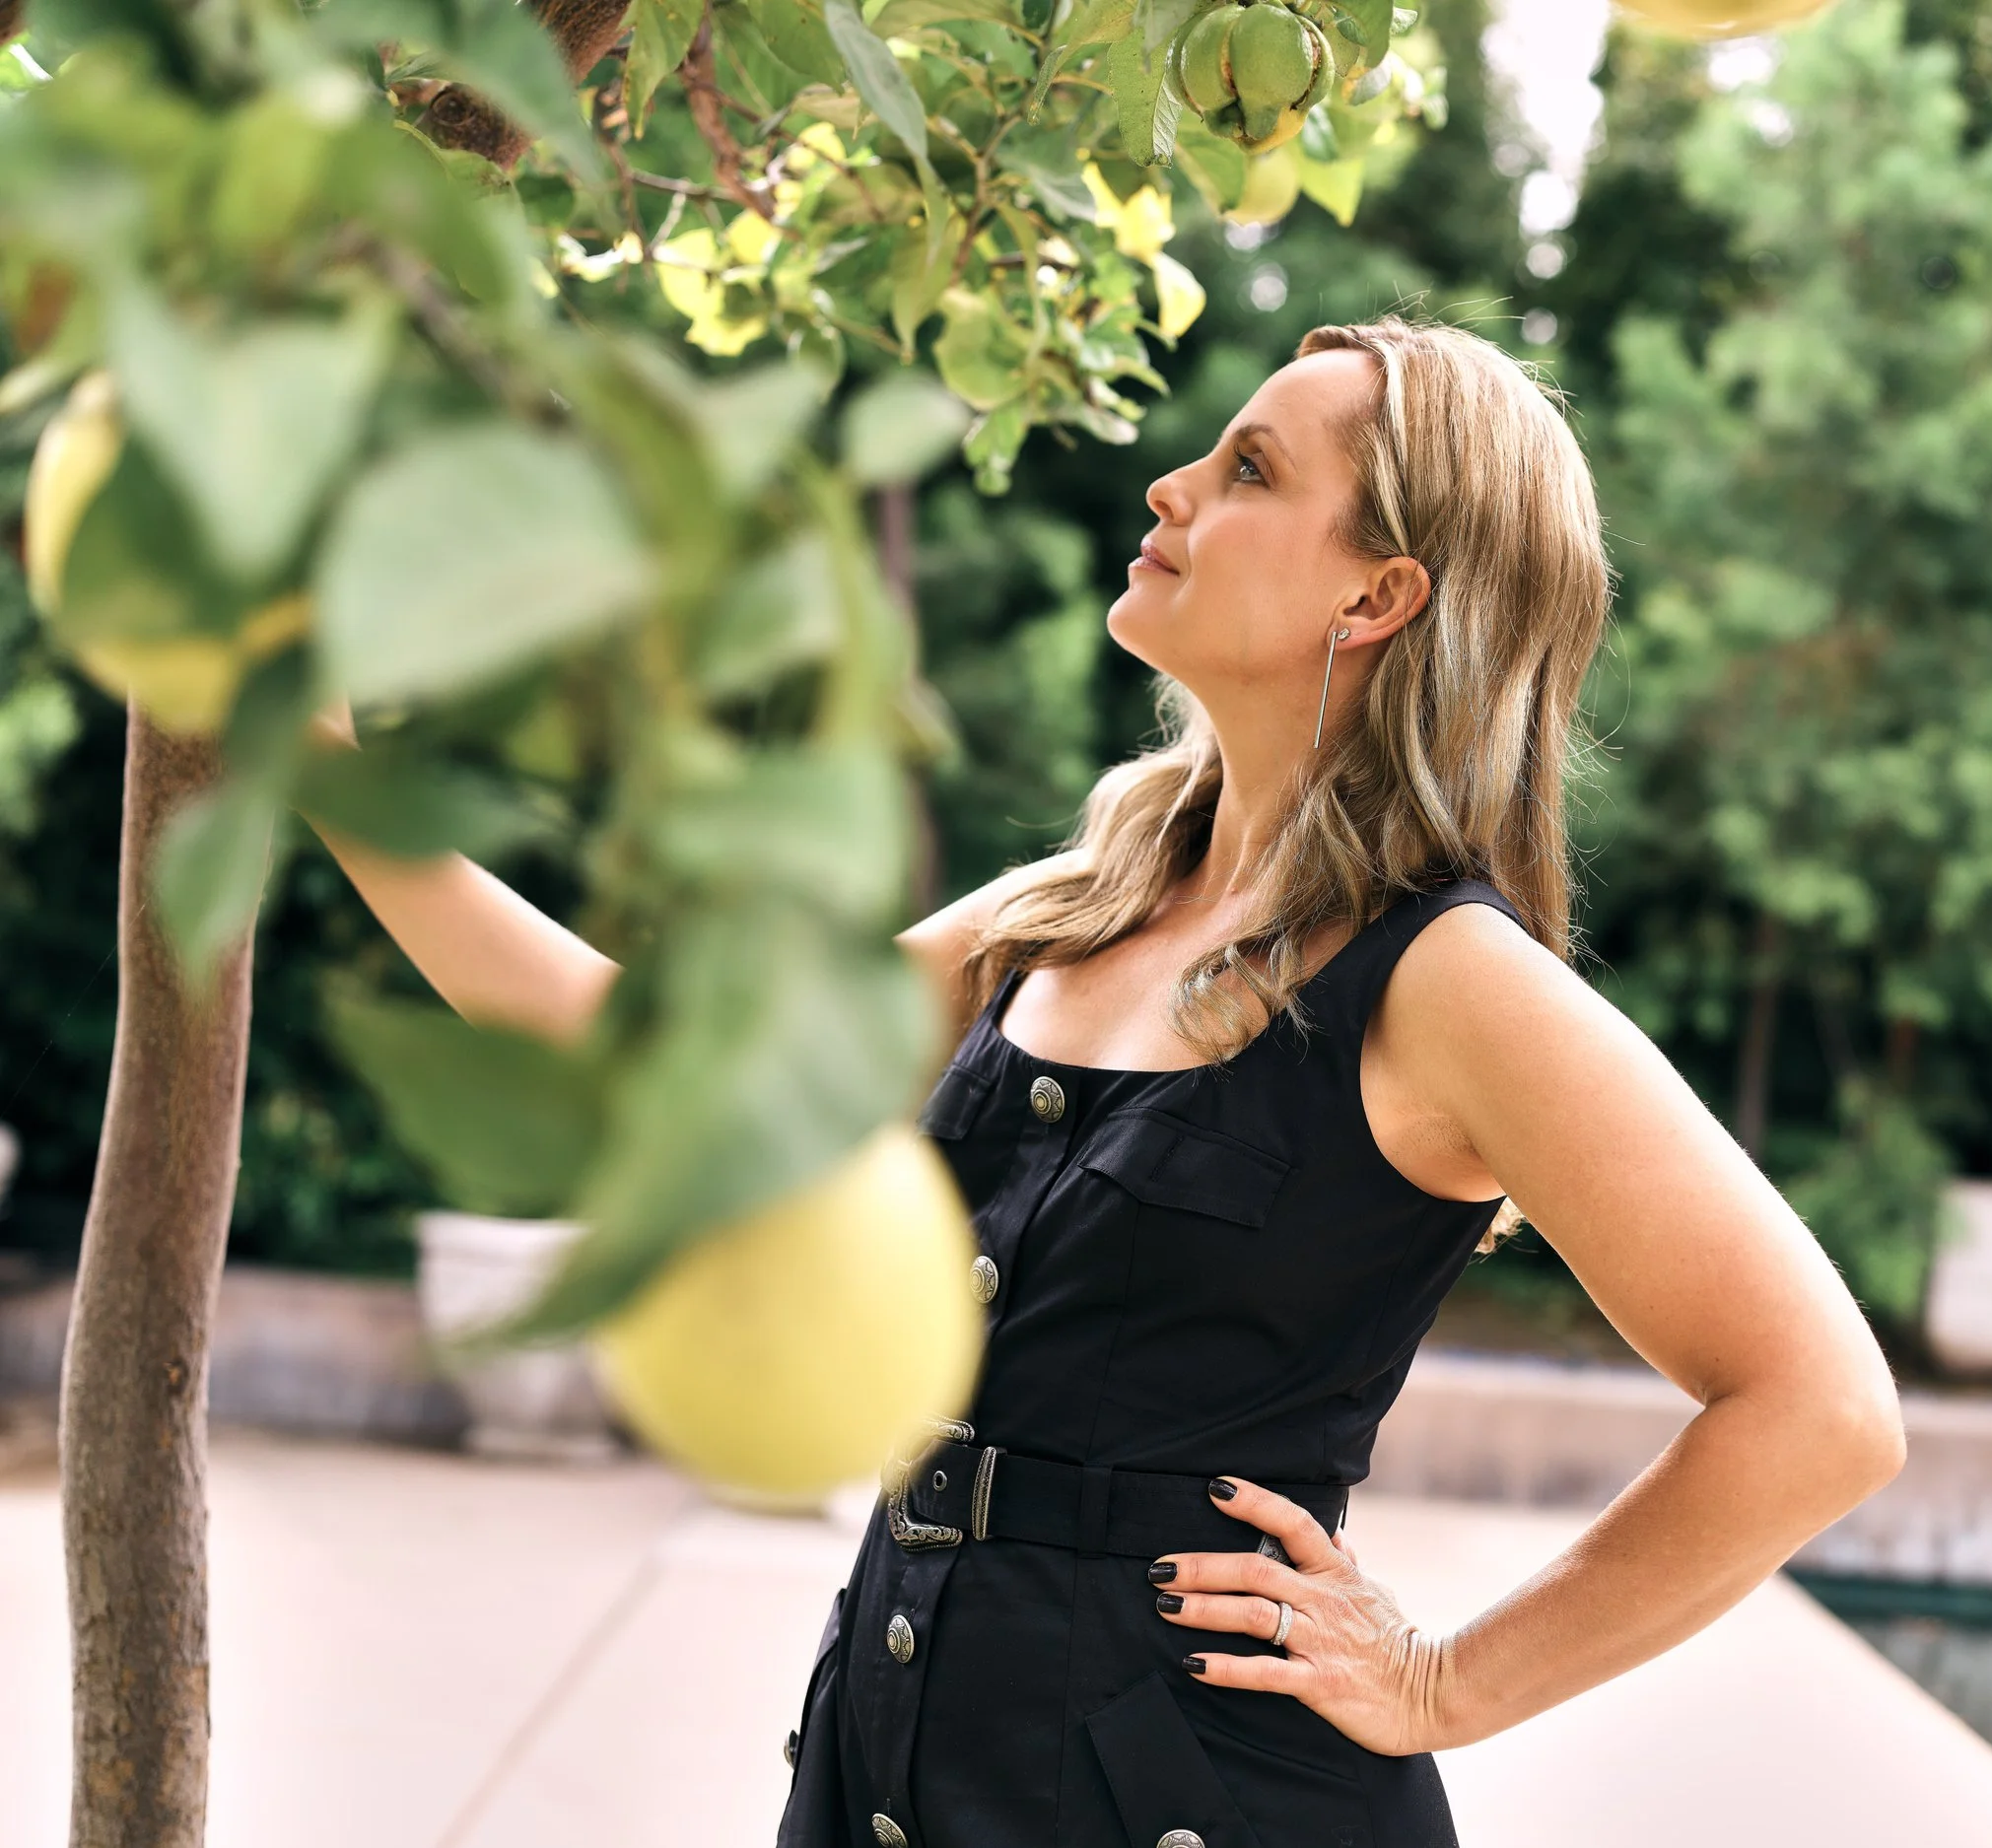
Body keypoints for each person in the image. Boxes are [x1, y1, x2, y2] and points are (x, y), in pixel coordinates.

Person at [312, 315, 1905, 1848]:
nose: (1173, 486)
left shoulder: (1448, 981)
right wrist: (320, 772)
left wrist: (1446, 1682)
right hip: (885, 1770)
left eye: (1253, 471)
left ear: (1380, 594)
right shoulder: (1069, 913)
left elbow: (1820, 1408)